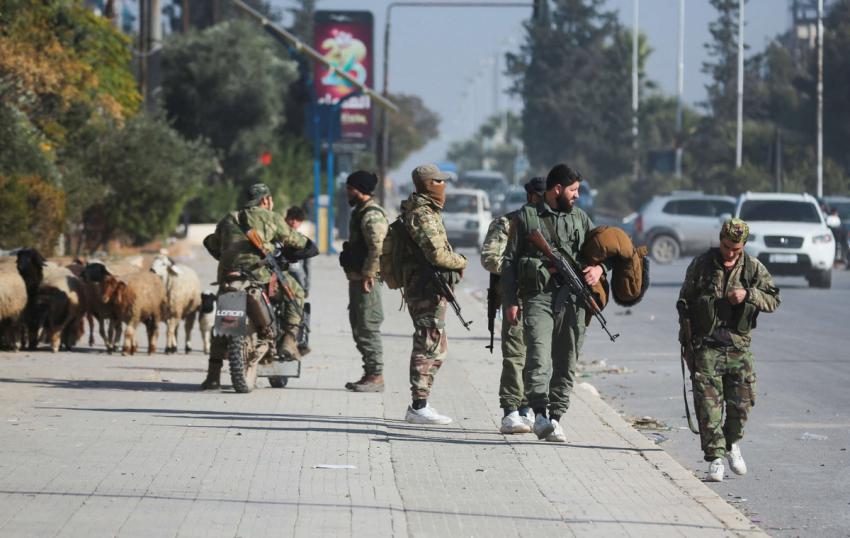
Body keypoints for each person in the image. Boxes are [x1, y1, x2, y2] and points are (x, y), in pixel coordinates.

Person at [501, 164, 603, 442]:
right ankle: (540, 413)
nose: (577, 196)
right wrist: (509, 300)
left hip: (573, 298)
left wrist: (598, 270)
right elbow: (509, 262)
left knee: (567, 359)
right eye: (573, 190)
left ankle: (556, 417)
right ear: (557, 189)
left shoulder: (581, 218)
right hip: (538, 297)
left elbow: (600, 252)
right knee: (537, 356)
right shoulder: (527, 217)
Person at [677, 218, 780, 482]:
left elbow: (774, 300)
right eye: (725, 246)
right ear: (720, 240)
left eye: (736, 248)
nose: (730, 253)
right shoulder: (701, 265)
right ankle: (714, 459)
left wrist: (749, 295)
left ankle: (732, 443)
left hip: (738, 348)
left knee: (742, 404)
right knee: (708, 408)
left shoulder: (753, 268)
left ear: (743, 245)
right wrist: (687, 346)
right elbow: (684, 304)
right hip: (707, 347)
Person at [200, 183, 317, 390]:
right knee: (296, 292)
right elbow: (294, 240)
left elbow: (211, 243)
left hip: (230, 278)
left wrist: (227, 257)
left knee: (222, 324)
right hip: (260, 277)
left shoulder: (229, 218)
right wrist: (309, 247)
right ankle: (289, 341)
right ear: (265, 200)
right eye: (270, 200)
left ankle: (213, 376)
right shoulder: (271, 218)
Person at [399, 164, 467, 424]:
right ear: (430, 184)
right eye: (440, 181)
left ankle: (422, 401)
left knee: (436, 344)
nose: (444, 187)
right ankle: (418, 405)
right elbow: (436, 254)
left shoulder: (424, 211)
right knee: (427, 342)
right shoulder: (423, 214)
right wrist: (461, 261)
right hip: (425, 287)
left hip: (428, 286)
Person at [480, 177, 544, 434]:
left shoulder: (549, 224)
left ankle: (527, 408)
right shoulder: (507, 223)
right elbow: (489, 257)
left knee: (537, 356)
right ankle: (510, 411)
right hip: (515, 296)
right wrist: (519, 271)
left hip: (542, 301)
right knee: (515, 355)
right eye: (542, 197)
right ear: (531, 197)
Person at [340, 171, 389, 392]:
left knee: (368, 326)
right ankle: (369, 372)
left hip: (367, 280)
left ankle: (376, 376)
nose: (347, 192)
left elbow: (377, 248)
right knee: (358, 326)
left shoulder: (371, 215)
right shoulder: (359, 212)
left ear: (359, 190)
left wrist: (369, 274)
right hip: (358, 278)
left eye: (349, 188)